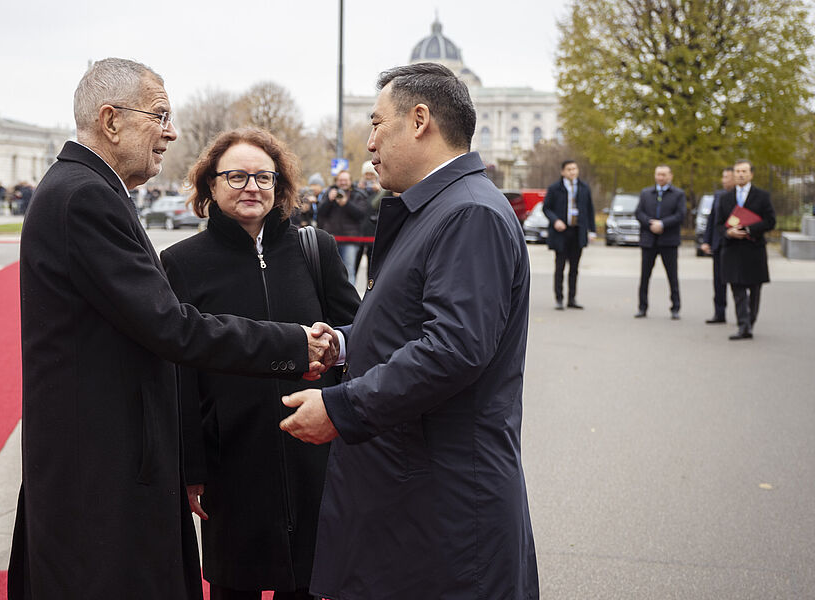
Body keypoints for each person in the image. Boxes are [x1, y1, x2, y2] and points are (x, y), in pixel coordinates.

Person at [9, 58, 336, 600]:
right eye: (159, 115)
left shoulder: (87, 188)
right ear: (111, 121)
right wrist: (293, 342)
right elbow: (171, 327)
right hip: (101, 469)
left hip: (103, 458)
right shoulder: (85, 195)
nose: (171, 131)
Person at [279, 62, 539, 600]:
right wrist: (348, 342)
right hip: (417, 490)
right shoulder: (442, 207)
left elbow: (454, 348)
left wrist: (341, 408)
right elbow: (415, 322)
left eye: (377, 124)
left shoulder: (469, 213)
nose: (369, 141)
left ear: (419, 120)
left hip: (444, 504)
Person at [160, 128, 361, 600]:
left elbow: (357, 335)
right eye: (235, 176)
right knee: (235, 587)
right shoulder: (181, 264)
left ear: (280, 186)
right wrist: (192, 468)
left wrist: (337, 352)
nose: (252, 186)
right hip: (232, 460)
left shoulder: (316, 250)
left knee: (311, 583)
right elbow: (180, 373)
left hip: (314, 454)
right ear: (210, 185)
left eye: (263, 177)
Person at [716, 159, 775, 340]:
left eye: (744, 171)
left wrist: (749, 229)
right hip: (732, 249)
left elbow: (770, 221)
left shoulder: (762, 196)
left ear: (751, 174)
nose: (741, 174)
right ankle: (743, 325)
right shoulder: (726, 198)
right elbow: (718, 224)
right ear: (734, 174)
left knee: (754, 290)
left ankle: (750, 320)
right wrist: (729, 232)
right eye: (738, 171)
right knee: (737, 289)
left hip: (753, 249)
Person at [634, 165, 687, 319]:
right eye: (658, 174)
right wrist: (650, 223)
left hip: (668, 241)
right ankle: (642, 307)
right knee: (644, 276)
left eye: (664, 175)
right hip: (648, 241)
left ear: (670, 176)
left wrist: (663, 224)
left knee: (672, 276)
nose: (660, 177)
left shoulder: (678, 194)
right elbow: (639, 212)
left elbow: (680, 215)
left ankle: (675, 308)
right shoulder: (646, 193)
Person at [543, 159, 596, 310]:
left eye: (574, 169)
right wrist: (555, 221)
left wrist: (591, 230)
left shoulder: (584, 187)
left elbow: (590, 210)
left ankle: (572, 299)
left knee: (574, 268)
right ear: (563, 172)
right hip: (561, 232)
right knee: (560, 267)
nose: (572, 172)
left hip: (577, 232)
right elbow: (546, 208)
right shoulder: (555, 188)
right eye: (569, 169)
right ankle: (559, 298)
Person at [317, 170, 369, 284]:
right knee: (329, 272)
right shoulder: (328, 193)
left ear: (350, 181)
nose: (343, 183)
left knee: (348, 272)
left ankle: (349, 301)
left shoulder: (358, 194)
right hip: (331, 239)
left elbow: (361, 214)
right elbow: (320, 213)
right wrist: (329, 201)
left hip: (350, 240)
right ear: (336, 181)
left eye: (345, 180)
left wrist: (346, 204)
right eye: (340, 180)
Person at [700, 167, 735, 323]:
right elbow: (711, 220)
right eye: (723, 177)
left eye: (727, 177)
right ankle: (719, 313)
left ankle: (743, 314)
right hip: (718, 244)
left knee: (736, 282)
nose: (723, 180)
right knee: (718, 281)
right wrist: (706, 241)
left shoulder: (740, 197)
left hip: (734, 245)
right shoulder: (719, 195)